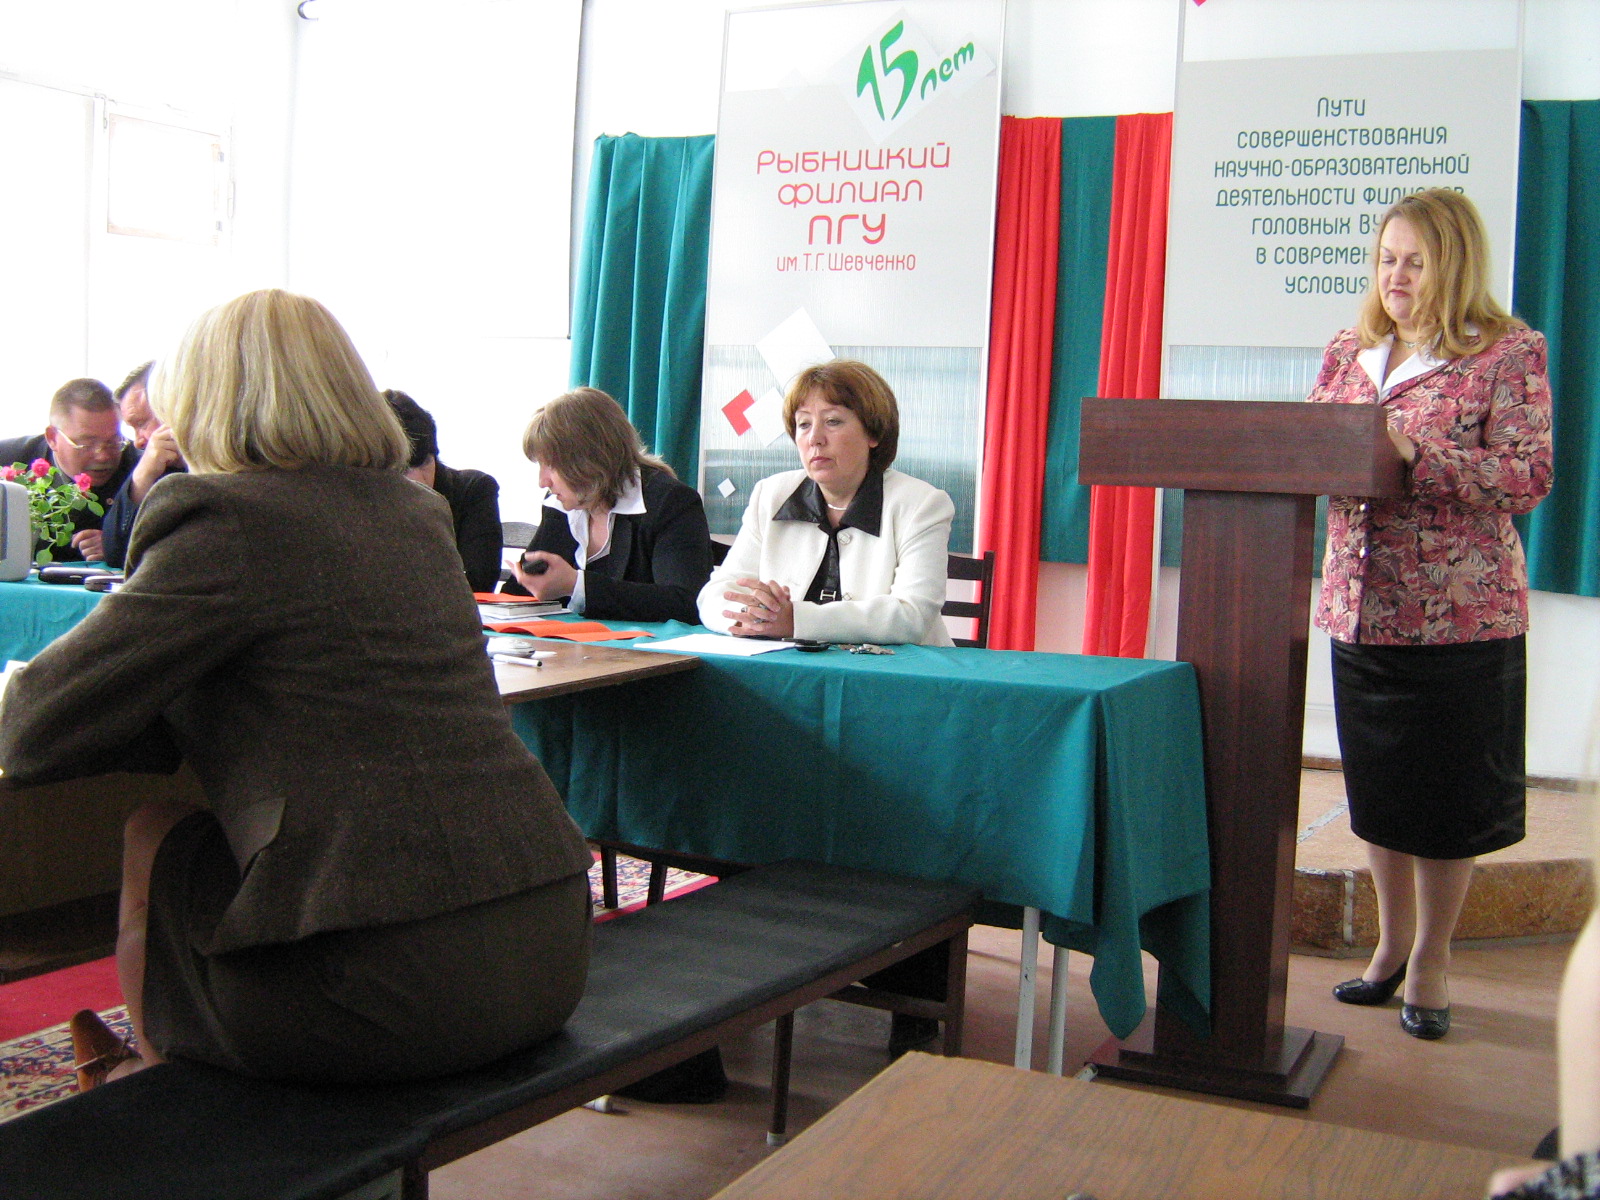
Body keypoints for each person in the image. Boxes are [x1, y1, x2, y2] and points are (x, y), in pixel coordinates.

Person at [0, 289, 594, 1088]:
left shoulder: (225, 515)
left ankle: (157, 1090)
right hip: (546, 952)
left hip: (392, 994)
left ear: (203, 400)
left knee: (152, 833)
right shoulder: (416, 513)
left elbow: (29, 731)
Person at [1316, 189, 1553, 1041]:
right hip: (1361, 608)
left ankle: (1433, 959)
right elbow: (1311, 448)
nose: (1397, 276)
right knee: (1379, 795)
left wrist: (1419, 452)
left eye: (1416, 261)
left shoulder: (1507, 351)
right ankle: (1389, 946)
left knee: (1448, 803)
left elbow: (1528, 475)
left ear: (1454, 265)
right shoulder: (1349, 351)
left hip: (1460, 617)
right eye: (1387, 259)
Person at [697, 358, 954, 646]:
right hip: (788, 664)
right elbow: (717, 593)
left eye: (833, 421)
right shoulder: (771, 494)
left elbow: (911, 616)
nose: (815, 439)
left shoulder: (921, 504)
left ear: (873, 433)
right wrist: (753, 615)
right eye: (804, 424)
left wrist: (794, 620)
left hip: (896, 669)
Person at [505, 387, 711, 625]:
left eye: (551, 466)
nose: (543, 482)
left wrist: (576, 585)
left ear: (589, 459)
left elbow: (686, 602)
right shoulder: (559, 505)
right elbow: (517, 597)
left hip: (645, 647)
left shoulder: (670, 501)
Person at [0, 378, 137, 562]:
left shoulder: (142, 468)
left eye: (113, 442)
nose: (103, 456)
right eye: (86, 444)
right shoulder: (9, 459)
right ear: (52, 438)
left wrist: (120, 546)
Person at [384, 389, 503, 593]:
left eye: (425, 462)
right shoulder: (356, 504)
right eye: (403, 470)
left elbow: (479, 582)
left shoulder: (473, 490)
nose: (417, 479)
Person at [103, 361, 187, 570]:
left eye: (141, 424)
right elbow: (116, 554)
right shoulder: (155, 466)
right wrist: (141, 478)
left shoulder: (230, 462)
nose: (138, 442)